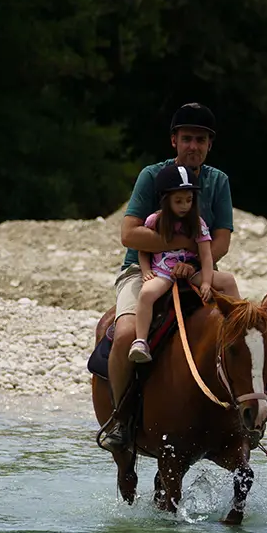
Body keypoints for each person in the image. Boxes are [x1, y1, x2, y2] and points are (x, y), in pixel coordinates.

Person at [101, 103, 239, 452]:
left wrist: (193, 263)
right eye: (188, 138)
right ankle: (120, 418)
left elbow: (220, 240)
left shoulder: (218, 181)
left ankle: (242, 411)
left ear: (210, 145)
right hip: (143, 269)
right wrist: (184, 244)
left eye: (201, 140)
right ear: (174, 140)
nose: (194, 146)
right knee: (125, 336)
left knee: (244, 333)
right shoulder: (152, 176)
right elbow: (130, 235)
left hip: (198, 270)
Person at [128, 165, 215, 363]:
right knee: (147, 293)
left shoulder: (198, 223)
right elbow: (142, 248)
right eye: (178, 201)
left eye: (189, 200)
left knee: (227, 281)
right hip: (163, 272)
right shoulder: (154, 221)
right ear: (166, 201)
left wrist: (207, 282)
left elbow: (207, 255)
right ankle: (140, 341)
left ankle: (237, 325)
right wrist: (146, 270)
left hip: (191, 270)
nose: (185, 205)